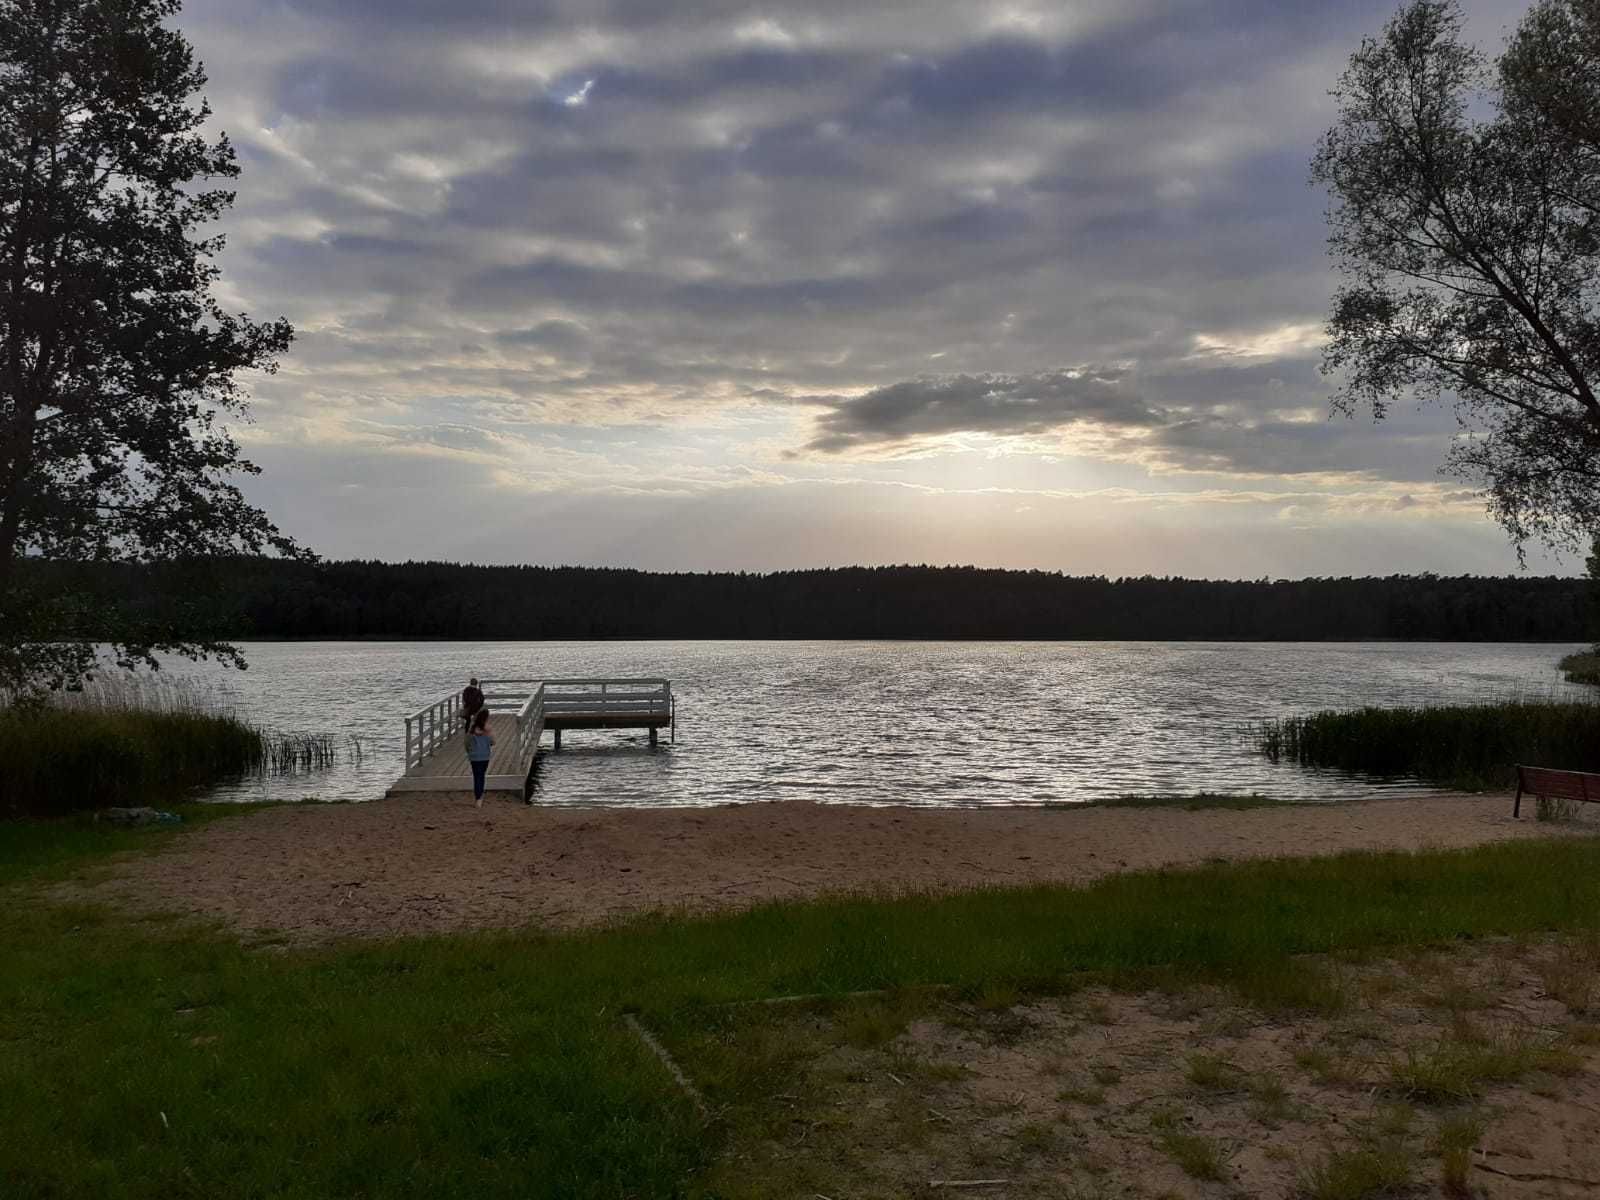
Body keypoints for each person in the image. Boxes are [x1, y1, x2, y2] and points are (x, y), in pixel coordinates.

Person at [464, 705, 494, 806]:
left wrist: (469, 751)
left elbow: (466, 743)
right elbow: (493, 742)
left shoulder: (472, 729)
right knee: (482, 776)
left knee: (476, 776)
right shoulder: (488, 729)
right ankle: (479, 797)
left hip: (474, 756)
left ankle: (478, 798)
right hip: (484, 756)